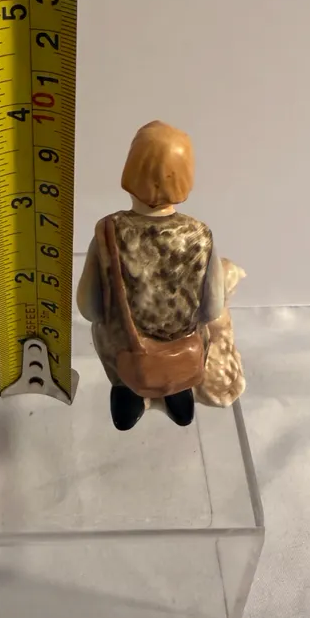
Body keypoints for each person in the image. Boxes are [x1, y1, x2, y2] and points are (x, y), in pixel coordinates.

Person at [77, 121, 224, 430]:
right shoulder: (200, 235)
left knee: (109, 337)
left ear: (130, 170)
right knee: (195, 339)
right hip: (184, 350)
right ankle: (178, 391)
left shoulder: (108, 232)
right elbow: (212, 309)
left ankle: (127, 394)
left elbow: (89, 309)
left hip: (123, 349)